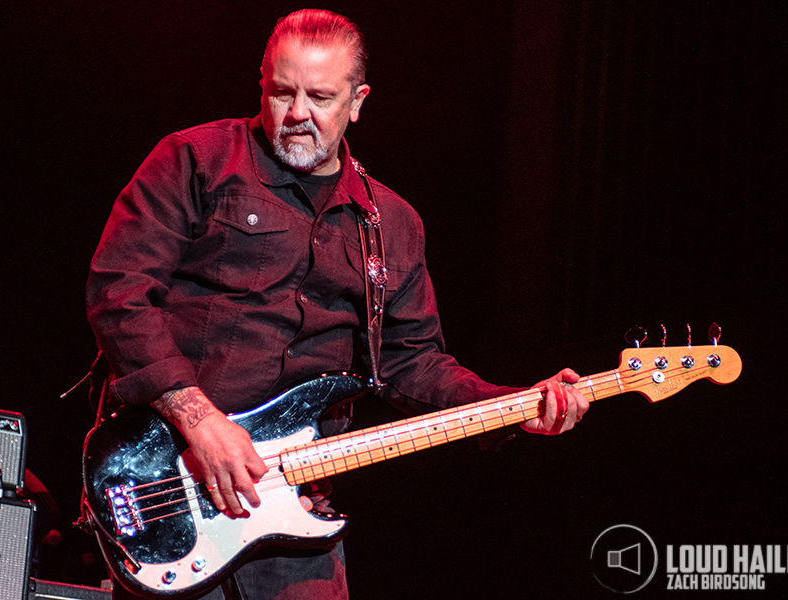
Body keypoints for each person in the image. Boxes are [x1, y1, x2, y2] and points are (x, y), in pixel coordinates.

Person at [85, 9, 588, 599]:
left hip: (296, 503)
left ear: (357, 101)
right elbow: (119, 294)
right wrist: (202, 423)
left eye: (320, 97)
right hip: (175, 469)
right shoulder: (193, 161)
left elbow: (413, 364)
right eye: (281, 92)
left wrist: (512, 405)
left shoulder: (392, 224)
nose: (297, 113)